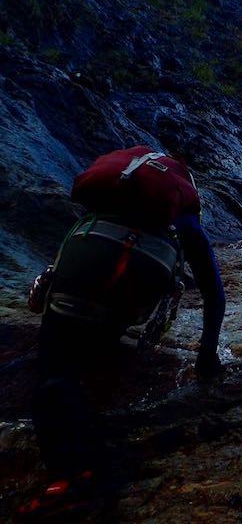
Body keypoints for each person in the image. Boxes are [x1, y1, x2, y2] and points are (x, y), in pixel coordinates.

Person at [18, 146, 226, 520]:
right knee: (94, 350)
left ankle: (69, 478)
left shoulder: (115, 185)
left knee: (54, 375)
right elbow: (213, 290)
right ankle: (92, 472)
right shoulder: (179, 203)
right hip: (139, 275)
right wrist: (206, 355)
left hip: (84, 259)